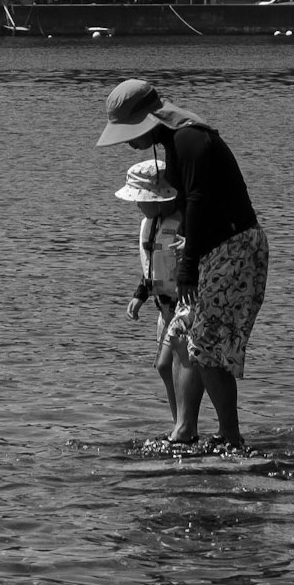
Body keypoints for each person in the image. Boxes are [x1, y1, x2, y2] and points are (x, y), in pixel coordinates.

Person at [97, 76, 267, 450]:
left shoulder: (189, 140)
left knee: (207, 348)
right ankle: (187, 430)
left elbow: (198, 203)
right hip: (213, 248)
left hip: (234, 248)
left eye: (129, 131)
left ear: (149, 118)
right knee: (190, 343)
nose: (127, 141)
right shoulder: (174, 140)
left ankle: (231, 439)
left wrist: (187, 269)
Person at [114, 152, 183, 413]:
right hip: (163, 310)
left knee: (170, 365)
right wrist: (139, 296)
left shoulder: (183, 223)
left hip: (183, 306)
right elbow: (152, 268)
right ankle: (179, 422)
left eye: (141, 200)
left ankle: (184, 425)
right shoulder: (149, 225)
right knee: (164, 366)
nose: (137, 206)